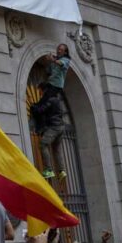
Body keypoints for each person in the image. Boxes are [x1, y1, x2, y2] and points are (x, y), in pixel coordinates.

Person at [31, 44, 71, 180]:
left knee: (43, 144)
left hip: (55, 87)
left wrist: (34, 108)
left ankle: (49, 170)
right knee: (57, 148)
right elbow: (48, 71)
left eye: (61, 49)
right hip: (59, 126)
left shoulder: (65, 60)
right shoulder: (56, 101)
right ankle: (62, 171)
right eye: (58, 49)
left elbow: (60, 64)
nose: (58, 51)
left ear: (65, 51)